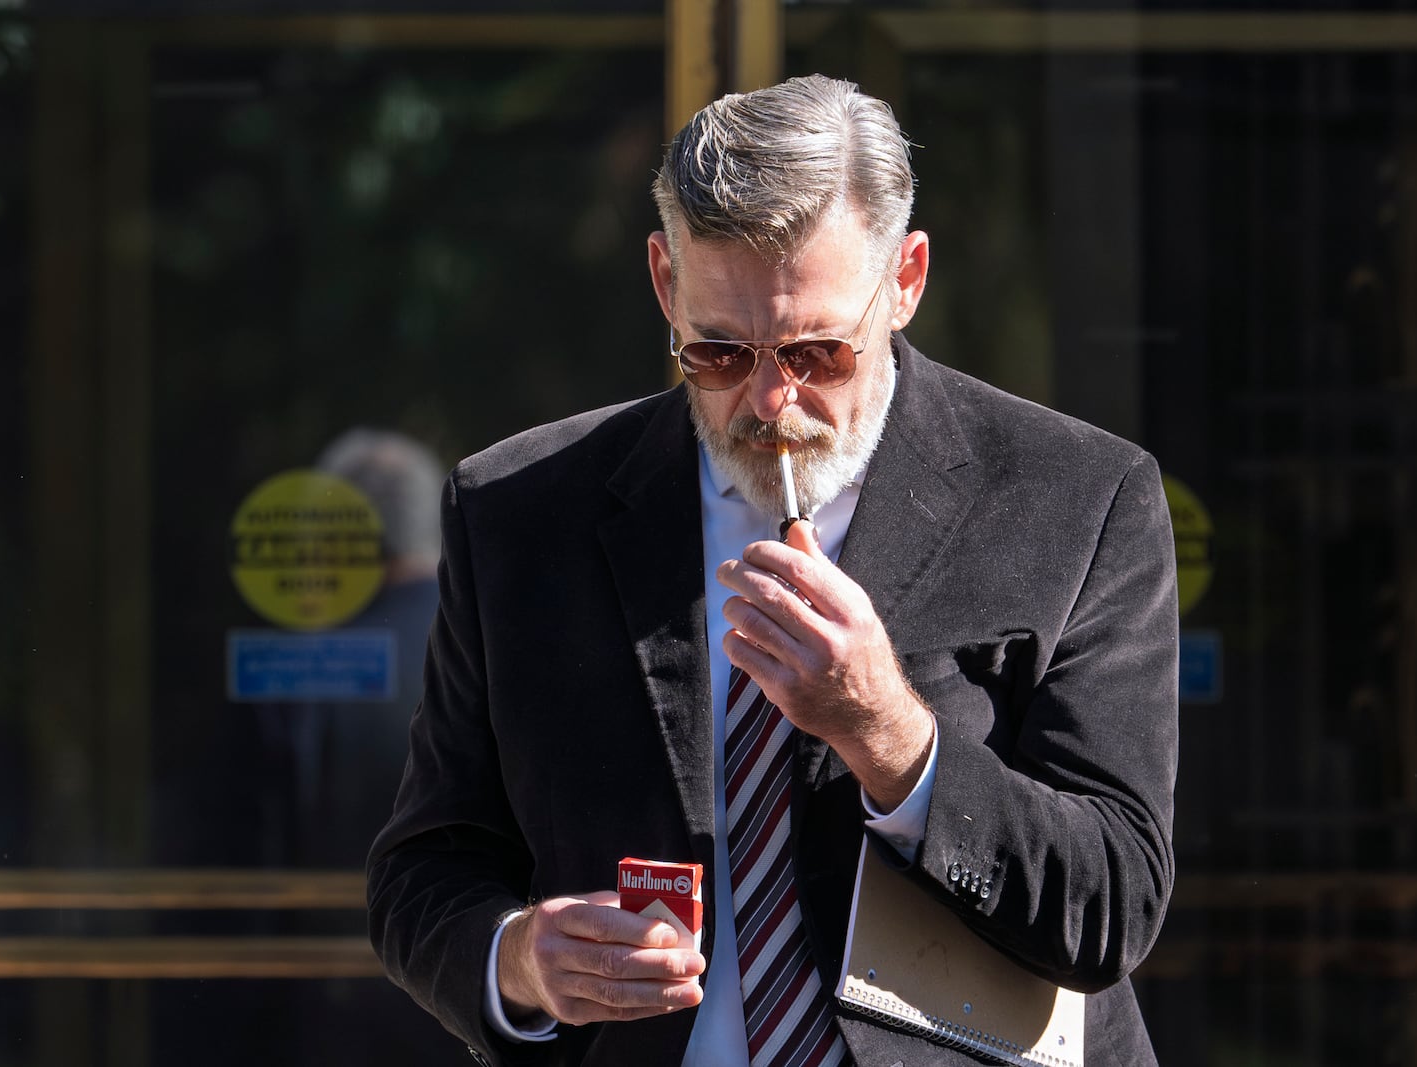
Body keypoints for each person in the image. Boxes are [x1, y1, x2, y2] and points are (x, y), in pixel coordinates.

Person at [367, 74, 1178, 1067]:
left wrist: (888, 733)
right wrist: (520, 960)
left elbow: (1113, 902)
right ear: (664, 281)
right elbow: (425, 869)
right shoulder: (521, 508)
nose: (769, 397)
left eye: (818, 351)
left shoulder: (1076, 497)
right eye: (716, 351)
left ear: (907, 280)